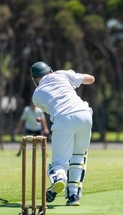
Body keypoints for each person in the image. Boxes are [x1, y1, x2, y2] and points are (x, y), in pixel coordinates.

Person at [30, 61, 94, 206]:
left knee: (59, 162)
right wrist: (71, 81)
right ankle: (73, 196)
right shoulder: (61, 74)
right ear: (50, 71)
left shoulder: (36, 96)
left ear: (35, 80)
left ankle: (59, 178)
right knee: (78, 157)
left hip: (63, 118)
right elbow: (91, 79)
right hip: (84, 115)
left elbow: (52, 110)